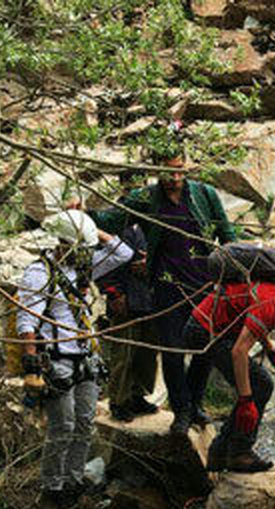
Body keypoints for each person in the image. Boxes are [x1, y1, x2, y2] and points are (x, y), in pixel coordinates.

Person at [91, 143, 238, 436]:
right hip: (166, 287)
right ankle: (181, 411)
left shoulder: (204, 195)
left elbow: (227, 233)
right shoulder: (145, 199)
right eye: (167, 171)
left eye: (178, 169)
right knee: (171, 352)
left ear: (185, 164)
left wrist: (235, 269)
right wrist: (82, 213)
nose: (174, 177)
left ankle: (196, 404)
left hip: (204, 285)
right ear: (156, 171)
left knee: (204, 350)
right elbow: (112, 220)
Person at [18, 210, 134, 509]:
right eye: (79, 247)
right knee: (63, 425)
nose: (85, 254)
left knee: (84, 422)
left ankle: (72, 479)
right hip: (57, 358)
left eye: (86, 249)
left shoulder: (83, 269)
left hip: (87, 356)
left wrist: (90, 228)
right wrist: (30, 366)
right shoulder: (39, 273)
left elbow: (123, 252)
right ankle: (52, 485)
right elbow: (27, 321)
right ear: (62, 243)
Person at [182, 244, 275, 473]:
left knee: (258, 385)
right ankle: (239, 453)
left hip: (213, 326)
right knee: (260, 385)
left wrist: (272, 353)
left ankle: (220, 452)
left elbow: (253, 318)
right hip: (205, 330)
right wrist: (246, 401)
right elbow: (239, 351)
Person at [95, 224, 160, 422]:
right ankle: (118, 401)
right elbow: (99, 263)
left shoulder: (154, 219)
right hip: (124, 298)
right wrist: (113, 293)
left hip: (151, 298)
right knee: (123, 353)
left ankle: (137, 395)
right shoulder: (113, 220)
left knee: (147, 353)